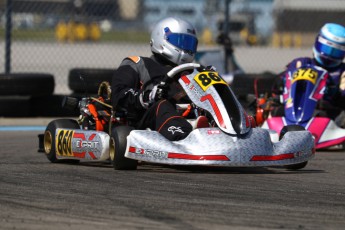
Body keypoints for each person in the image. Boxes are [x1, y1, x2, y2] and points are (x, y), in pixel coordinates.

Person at [111, 17, 204, 141]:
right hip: (147, 121)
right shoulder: (138, 63)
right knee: (162, 104)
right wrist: (147, 96)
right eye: (181, 42)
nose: (186, 48)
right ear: (161, 39)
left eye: (189, 44)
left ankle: (228, 133)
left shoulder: (194, 72)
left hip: (190, 114)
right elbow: (119, 95)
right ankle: (185, 135)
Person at [272, 23, 345, 125]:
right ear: (317, 43)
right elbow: (278, 84)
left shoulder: (342, 71)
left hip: (329, 116)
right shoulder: (301, 63)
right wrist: (282, 81)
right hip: (292, 110)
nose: (329, 55)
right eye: (326, 48)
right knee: (273, 109)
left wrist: (337, 91)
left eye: (336, 51)